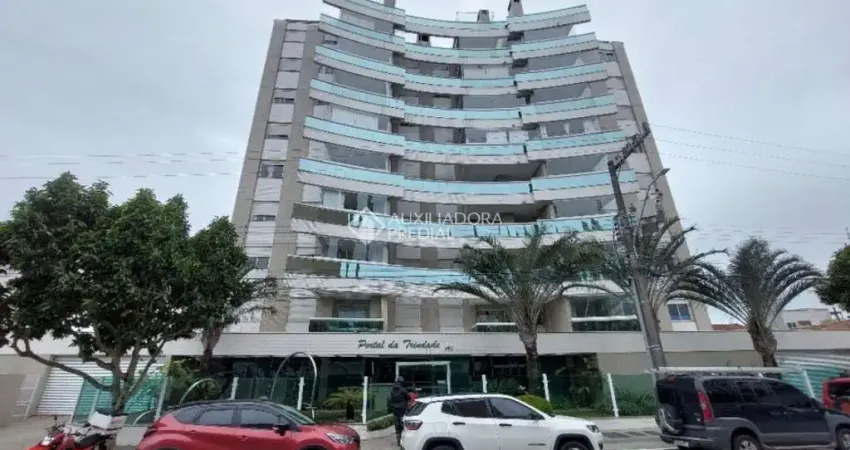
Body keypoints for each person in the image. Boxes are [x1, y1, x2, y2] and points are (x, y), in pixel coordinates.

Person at [389, 376, 410, 445]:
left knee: (397, 426)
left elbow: (391, 399)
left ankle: (398, 440)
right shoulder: (403, 390)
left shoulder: (392, 390)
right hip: (402, 410)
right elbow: (408, 397)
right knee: (403, 426)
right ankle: (404, 441)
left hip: (395, 410)